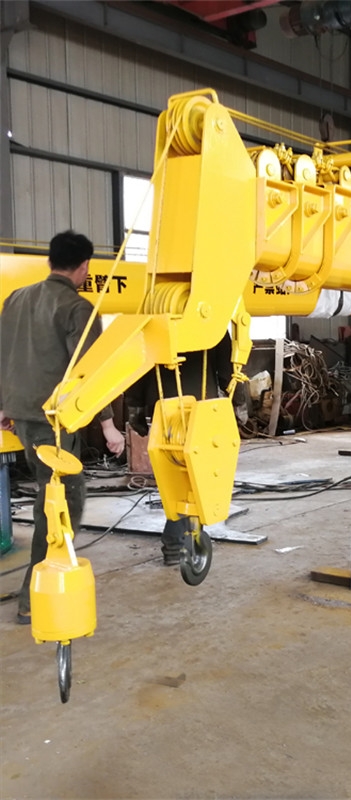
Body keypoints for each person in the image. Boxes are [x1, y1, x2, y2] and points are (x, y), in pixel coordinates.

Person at [0, 230, 126, 624]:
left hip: (22, 417)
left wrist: (5, 404)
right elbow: (89, 374)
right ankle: (35, 597)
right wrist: (109, 425)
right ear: (85, 266)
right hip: (51, 422)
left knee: (50, 496)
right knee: (60, 502)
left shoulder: (15, 298)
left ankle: (43, 584)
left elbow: (5, 353)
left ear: (51, 260)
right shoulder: (78, 308)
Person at [125, 332, 244, 565]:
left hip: (162, 407)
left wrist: (135, 408)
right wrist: (239, 403)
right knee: (195, 477)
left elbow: (137, 363)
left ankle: (181, 540)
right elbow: (229, 369)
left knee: (174, 474)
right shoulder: (213, 322)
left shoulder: (151, 319)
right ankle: (178, 542)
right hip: (199, 407)